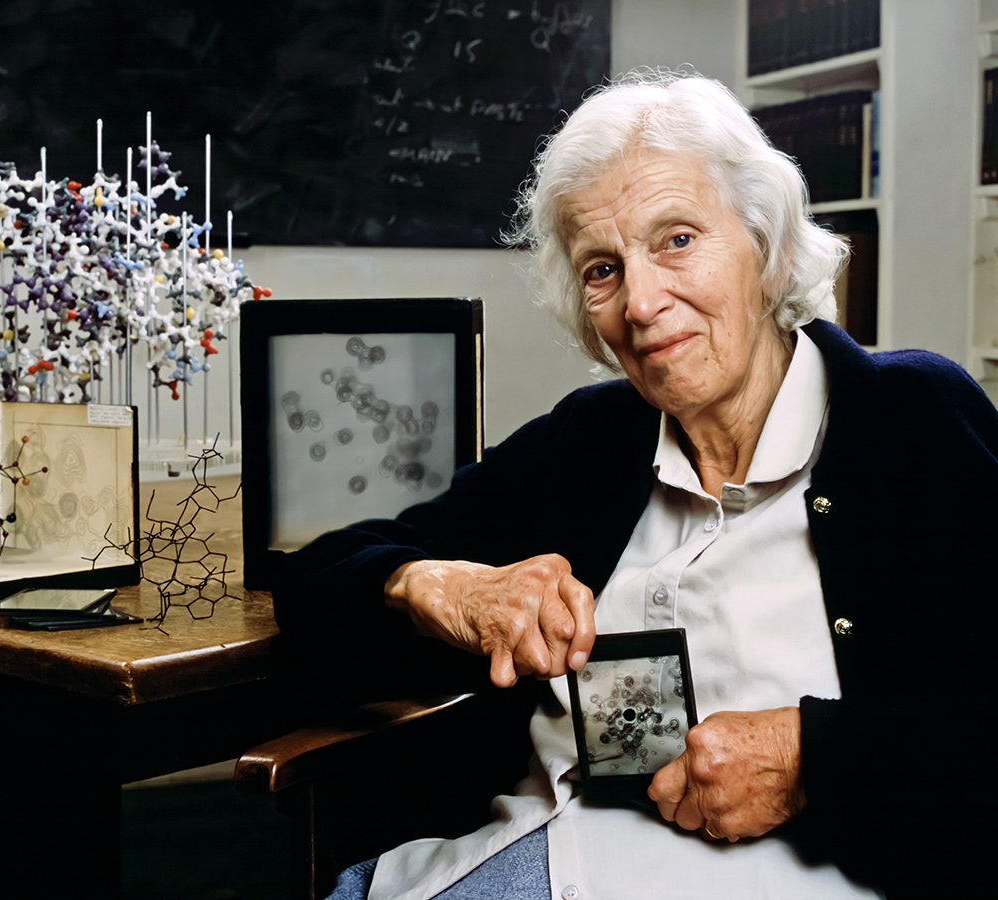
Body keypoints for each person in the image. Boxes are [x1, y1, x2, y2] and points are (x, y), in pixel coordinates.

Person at [273, 71, 998, 900]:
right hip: (530, 861)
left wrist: (812, 761)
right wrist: (436, 585)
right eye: (602, 269)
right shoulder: (590, 441)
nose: (642, 303)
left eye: (678, 239)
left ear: (765, 247)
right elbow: (317, 577)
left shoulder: (913, 420)